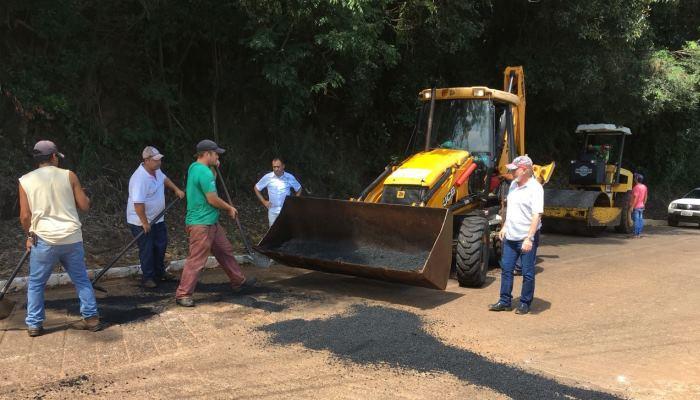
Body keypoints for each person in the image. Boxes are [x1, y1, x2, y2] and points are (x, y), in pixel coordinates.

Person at [18, 140, 101, 336]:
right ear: (54, 157)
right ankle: (92, 319)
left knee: (37, 283)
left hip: (44, 240)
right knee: (81, 280)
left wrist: (29, 235)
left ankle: (34, 324)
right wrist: (87, 197)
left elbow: (24, 215)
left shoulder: (25, 180)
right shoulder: (69, 175)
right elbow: (84, 205)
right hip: (71, 238)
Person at [175, 139, 256, 307]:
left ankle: (238, 281)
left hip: (210, 221)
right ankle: (183, 294)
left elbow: (208, 179)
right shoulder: (203, 172)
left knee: (225, 250)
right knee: (196, 260)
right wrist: (229, 208)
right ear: (206, 154)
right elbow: (212, 199)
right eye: (215, 154)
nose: (218, 156)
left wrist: (214, 167)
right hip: (201, 223)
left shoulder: (195, 167)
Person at [489, 155, 544, 315]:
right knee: (506, 269)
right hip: (511, 236)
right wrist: (505, 226)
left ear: (525, 170)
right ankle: (505, 301)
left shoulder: (535, 188)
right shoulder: (513, 185)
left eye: (515, 168)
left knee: (527, 272)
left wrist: (529, 238)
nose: (511, 171)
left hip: (526, 237)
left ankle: (525, 303)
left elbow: (536, 215)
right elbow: (511, 209)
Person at [126, 146, 185, 288]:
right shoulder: (139, 178)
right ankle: (148, 278)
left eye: (159, 159)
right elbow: (138, 204)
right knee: (147, 249)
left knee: (161, 245)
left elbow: (164, 179)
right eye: (156, 160)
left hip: (158, 218)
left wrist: (176, 189)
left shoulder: (156, 171)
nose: (159, 162)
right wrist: (144, 223)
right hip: (141, 221)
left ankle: (160, 273)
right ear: (146, 160)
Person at [254, 157, 302, 226]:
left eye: (278, 167)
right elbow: (256, 188)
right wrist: (264, 201)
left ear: (283, 166)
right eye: (274, 167)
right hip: (272, 211)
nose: (276, 169)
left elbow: (299, 188)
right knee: (273, 233)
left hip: (286, 211)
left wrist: (294, 201)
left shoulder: (289, 177)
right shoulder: (268, 177)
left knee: (286, 232)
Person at [630, 173, 648, 238]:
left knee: (636, 220)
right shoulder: (644, 187)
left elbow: (635, 197)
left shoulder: (636, 187)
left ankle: (635, 234)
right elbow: (646, 197)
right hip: (641, 206)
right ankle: (639, 233)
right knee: (640, 219)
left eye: (635, 178)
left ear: (637, 179)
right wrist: (644, 204)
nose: (634, 179)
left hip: (636, 207)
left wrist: (632, 206)